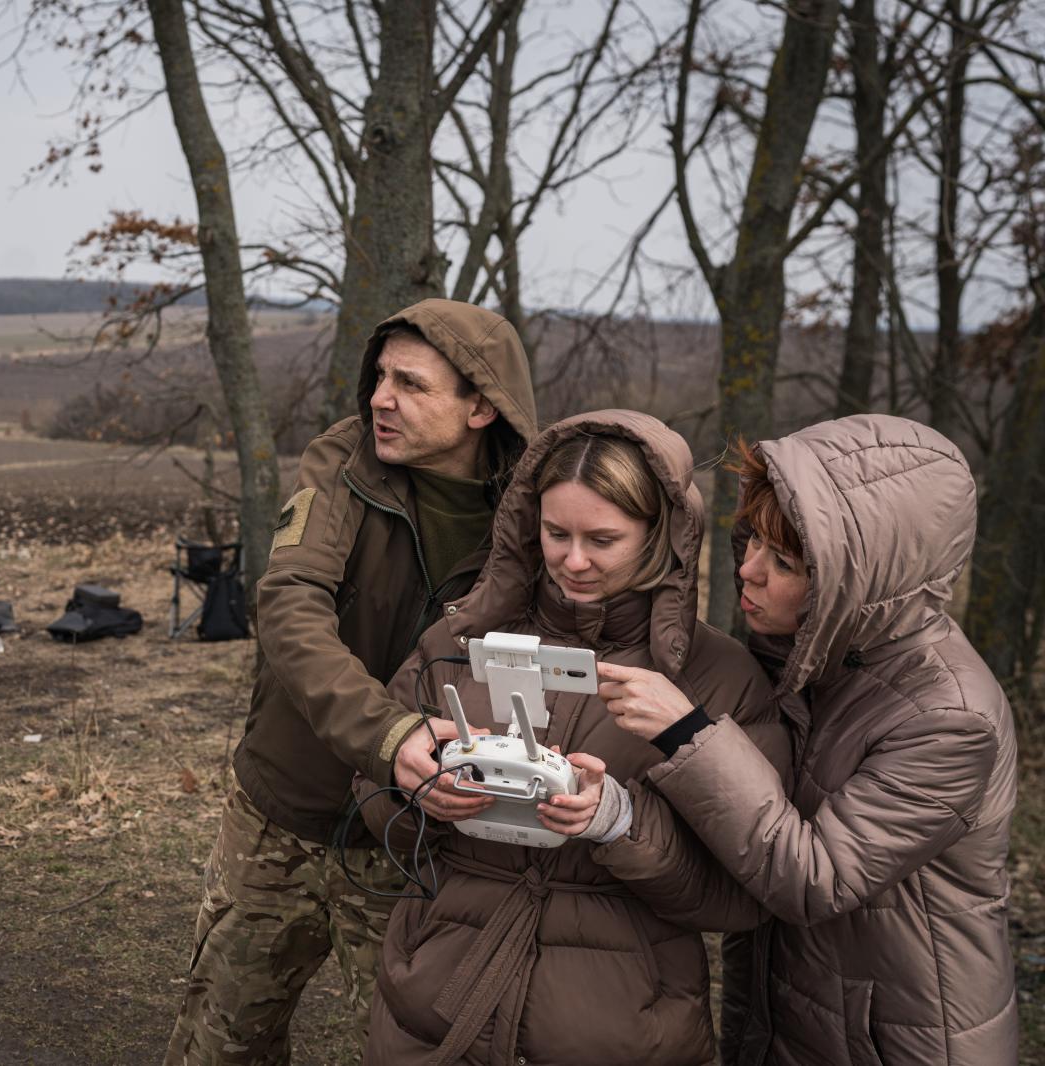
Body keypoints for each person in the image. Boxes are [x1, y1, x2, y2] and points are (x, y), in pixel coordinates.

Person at [164, 299, 538, 1064]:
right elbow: (290, 606)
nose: (379, 398)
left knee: (424, 1048)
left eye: (410, 383)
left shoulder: (531, 518)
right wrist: (391, 735)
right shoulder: (341, 463)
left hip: (415, 840)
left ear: (480, 409)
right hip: (282, 812)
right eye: (378, 377)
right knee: (223, 1039)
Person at [358, 411, 789, 1065]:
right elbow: (367, 788)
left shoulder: (719, 679)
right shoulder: (459, 641)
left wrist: (617, 820)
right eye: (555, 533)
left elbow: (743, 890)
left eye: (603, 539)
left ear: (660, 537)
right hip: (435, 1011)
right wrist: (409, 784)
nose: (573, 560)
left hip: (617, 1031)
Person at [594, 414, 1019, 1065]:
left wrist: (687, 733)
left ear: (862, 578)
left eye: (786, 560)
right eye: (752, 543)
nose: (748, 572)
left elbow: (813, 879)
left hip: (902, 1039)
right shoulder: (813, 660)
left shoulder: (949, 718)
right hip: (799, 1016)